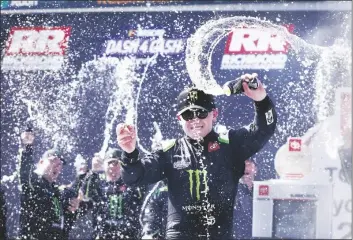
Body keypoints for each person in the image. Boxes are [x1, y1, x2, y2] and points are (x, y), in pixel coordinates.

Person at [116, 73, 277, 239]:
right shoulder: (169, 152)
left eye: (201, 113)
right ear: (179, 119)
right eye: (188, 115)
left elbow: (264, 129)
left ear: (214, 114)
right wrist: (129, 152)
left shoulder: (230, 146)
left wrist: (261, 100)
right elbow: (134, 177)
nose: (195, 120)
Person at [19, 130, 81, 240]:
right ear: (41, 162)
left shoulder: (58, 192)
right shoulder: (34, 184)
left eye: (60, 164)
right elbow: (25, 172)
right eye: (53, 161)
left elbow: (66, 224)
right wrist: (27, 146)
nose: (57, 166)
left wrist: (74, 207)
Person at [82, 148, 145, 239]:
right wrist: (93, 172)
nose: (113, 168)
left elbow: (143, 186)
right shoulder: (99, 184)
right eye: (109, 163)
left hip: (129, 235)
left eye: (117, 164)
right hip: (102, 235)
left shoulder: (131, 184)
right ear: (104, 166)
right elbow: (85, 194)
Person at [232, 160, 257, 239]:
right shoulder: (234, 189)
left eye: (249, 164)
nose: (246, 168)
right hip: (239, 233)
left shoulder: (261, 188)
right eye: (244, 165)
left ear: (255, 169)